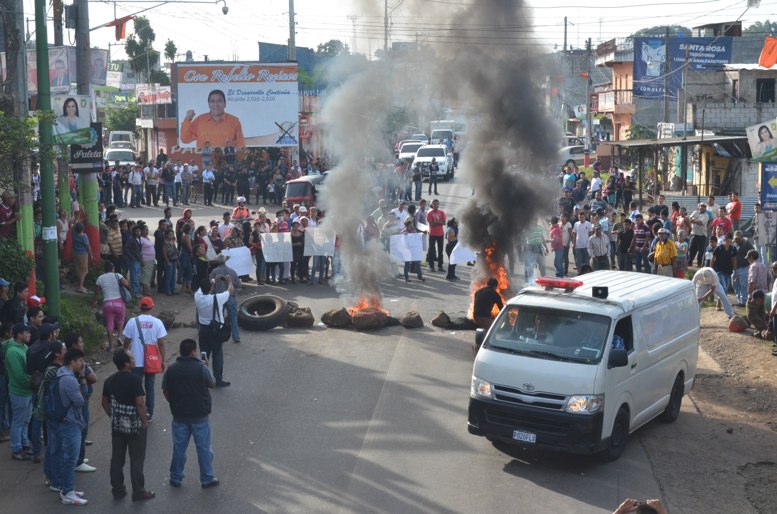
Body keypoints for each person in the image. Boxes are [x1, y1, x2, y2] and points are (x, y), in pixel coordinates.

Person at [162, 338, 219, 489]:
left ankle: (176, 477)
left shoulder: (171, 369)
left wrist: (173, 402)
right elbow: (212, 383)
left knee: (179, 448)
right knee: (203, 448)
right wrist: (206, 365)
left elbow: (165, 390)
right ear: (193, 352)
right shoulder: (201, 368)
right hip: (199, 415)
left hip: (179, 415)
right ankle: (207, 478)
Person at [102, 348, 154, 502]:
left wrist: (113, 416)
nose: (134, 359)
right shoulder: (135, 380)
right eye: (131, 358)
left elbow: (104, 403)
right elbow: (140, 403)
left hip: (118, 425)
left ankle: (118, 489)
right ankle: (138, 492)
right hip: (135, 425)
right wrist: (144, 421)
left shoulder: (109, 381)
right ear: (125, 363)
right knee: (136, 459)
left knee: (117, 458)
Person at [122, 297, 168, 422]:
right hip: (151, 361)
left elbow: (127, 340)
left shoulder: (132, 321)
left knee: (135, 388)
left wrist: (124, 351)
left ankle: (136, 411)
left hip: (135, 362)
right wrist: (163, 360)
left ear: (140, 307)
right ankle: (149, 413)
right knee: (150, 388)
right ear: (152, 307)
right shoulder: (157, 322)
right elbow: (161, 343)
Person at [54, 347, 89, 505]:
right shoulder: (69, 379)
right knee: (70, 459)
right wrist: (82, 380)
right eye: (80, 361)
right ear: (72, 362)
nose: (82, 364)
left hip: (65, 420)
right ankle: (68, 492)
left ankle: (67, 489)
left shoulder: (61, 373)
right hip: (70, 422)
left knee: (67, 457)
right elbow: (81, 401)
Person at [195, 276, 234, 387]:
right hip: (215, 329)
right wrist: (229, 281)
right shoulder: (217, 298)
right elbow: (230, 290)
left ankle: (202, 378)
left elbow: (202, 287)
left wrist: (213, 280)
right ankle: (218, 379)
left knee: (204, 354)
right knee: (217, 355)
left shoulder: (197, 296)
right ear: (211, 288)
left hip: (203, 329)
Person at [180, 89, 245, 148]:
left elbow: (241, 145)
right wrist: (188, 119)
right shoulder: (199, 120)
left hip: (226, 157)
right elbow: (185, 139)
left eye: (219, 101)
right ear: (208, 104)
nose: (216, 104)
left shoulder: (234, 121)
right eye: (212, 101)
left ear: (225, 104)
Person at [6, 323, 32, 461]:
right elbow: (19, 375)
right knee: (18, 422)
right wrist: (33, 382)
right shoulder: (12, 352)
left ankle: (24, 444)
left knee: (26, 420)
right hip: (19, 391)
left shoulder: (25, 347)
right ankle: (16, 449)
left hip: (27, 391)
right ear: (19, 334)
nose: (29, 335)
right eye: (27, 332)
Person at [210, 254, 240, 344]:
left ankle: (219, 336)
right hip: (230, 297)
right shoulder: (232, 271)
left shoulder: (214, 272)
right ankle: (236, 337)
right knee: (233, 317)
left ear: (217, 261)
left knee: (219, 317)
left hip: (219, 297)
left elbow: (210, 284)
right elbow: (238, 285)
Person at [71, 222, 93, 294]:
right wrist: (91, 255)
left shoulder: (74, 233)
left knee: (78, 270)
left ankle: (80, 284)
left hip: (75, 253)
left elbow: (73, 226)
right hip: (83, 254)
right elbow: (88, 246)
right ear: (83, 229)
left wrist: (76, 220)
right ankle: (80, 286)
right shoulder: (84, 236)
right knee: (84, 271)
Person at [426, 199, 447, 272]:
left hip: (440, 234)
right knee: (431, 251)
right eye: (434, 204)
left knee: (440, 251)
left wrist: (435, 222)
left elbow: (444, 223)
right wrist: (439, 222)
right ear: (432, 205)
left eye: (437, 204)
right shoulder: (429, 213)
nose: (436, 205)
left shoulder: (442, 212)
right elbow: (431, 224)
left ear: (438, 204)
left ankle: (440, 266)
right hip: (432, 234)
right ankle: (431, 266)